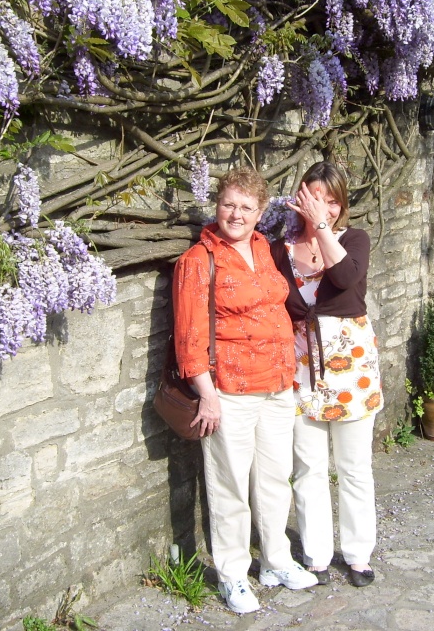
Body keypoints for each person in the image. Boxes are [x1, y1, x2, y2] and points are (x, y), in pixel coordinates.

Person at [172, 166, 318, 614]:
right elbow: (189, 337)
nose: (236, 214)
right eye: (229, 204)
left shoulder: (263, 248)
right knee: (229, 484)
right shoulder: (199, 260)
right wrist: (206, 393)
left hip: (276, 384)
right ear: (217, 206)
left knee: (275, 479)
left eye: (247, 207)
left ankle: (275, 560)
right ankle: (233, 574)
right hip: (230, 389)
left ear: (259, 212)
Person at [270, 161, 383, 587]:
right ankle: (316, 555)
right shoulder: (280, 250)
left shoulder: (353, 240)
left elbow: (345, 276)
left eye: (332, 199)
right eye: (315, 197)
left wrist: (320, 226)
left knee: (354, 467)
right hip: (301, 367)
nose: (324, 207)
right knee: (309, 467)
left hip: (351, 367)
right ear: (299, 198)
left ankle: (357, 556)